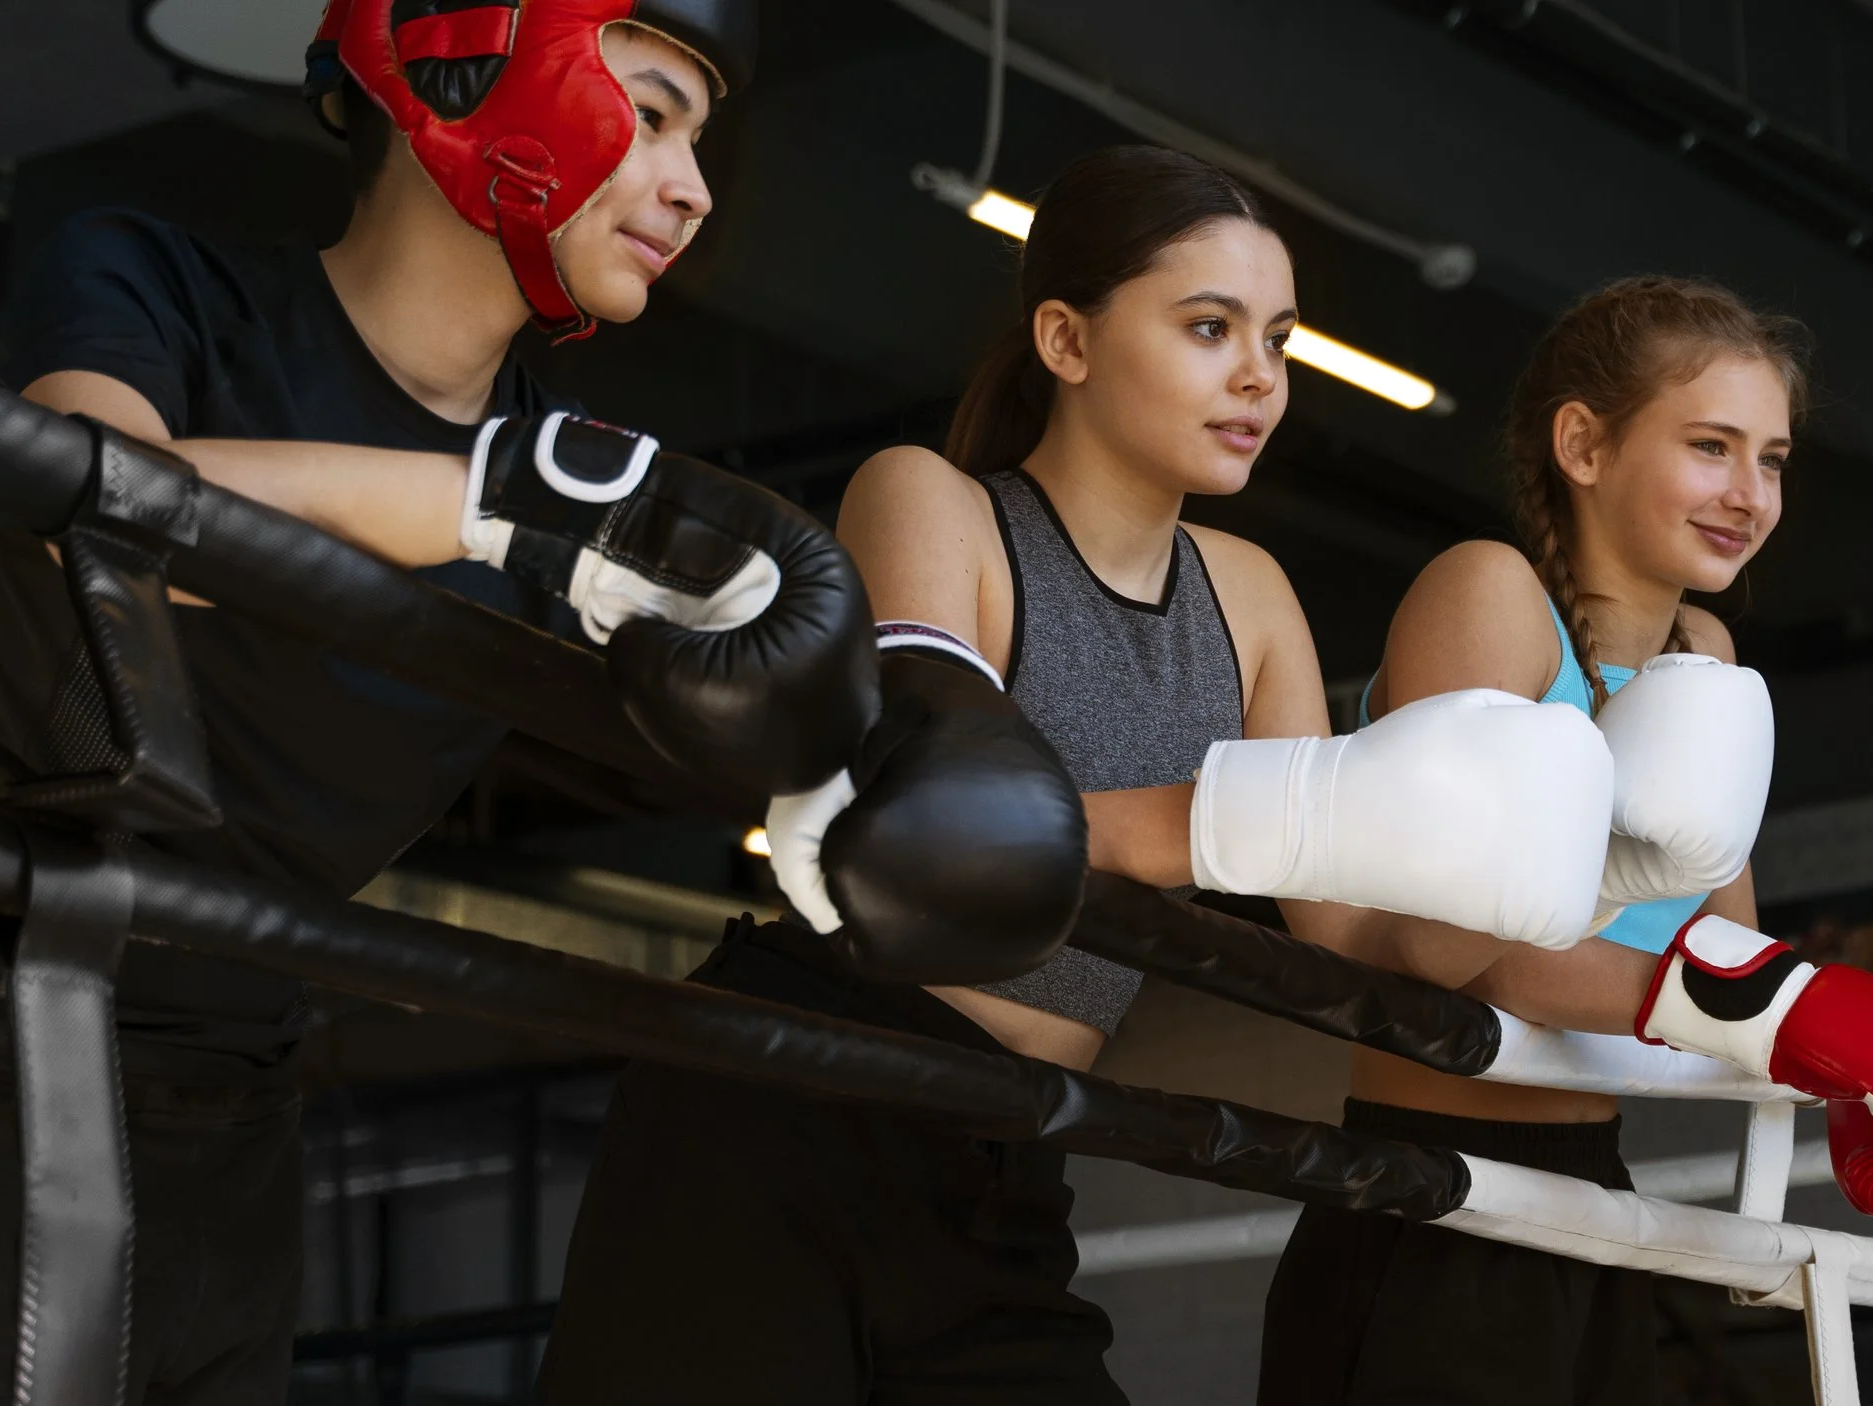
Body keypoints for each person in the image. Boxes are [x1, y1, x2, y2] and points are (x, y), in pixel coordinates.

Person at [0, 5, 770, 1404]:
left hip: (238, 1120)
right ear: (468, 74)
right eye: (651, 115)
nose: (693, 190)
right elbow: (103, 509)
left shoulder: (569, 497)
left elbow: (743, 748)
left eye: (699, 141)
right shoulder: (156, 286)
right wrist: (488, 508)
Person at [540, 143, 1342, 1405]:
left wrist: (1579, 874)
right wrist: (1238, 819)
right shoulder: (932, 502)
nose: (1259, 375)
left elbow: (1341, 916)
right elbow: (941, 814)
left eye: (1278, 340)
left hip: (1007, 1147)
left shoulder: (1252, 595)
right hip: (794, 1091)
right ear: (1066, 341)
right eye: (1208, 326)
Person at [1252, 276, 1873, 1403]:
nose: (1749, 493)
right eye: (1711, 446)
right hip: (1432, 1188)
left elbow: (1727, 949)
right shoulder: (1490, 594)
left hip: (1596, 1196)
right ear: (1583, 444)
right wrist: (1805, 1021)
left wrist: (1850, 1051)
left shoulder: (1703, 654)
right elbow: (1470, 948)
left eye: (1772, 458)